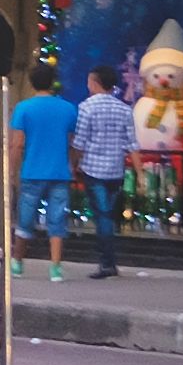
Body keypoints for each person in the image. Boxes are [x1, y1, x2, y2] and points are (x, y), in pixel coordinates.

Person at [5, 66, 74, 279]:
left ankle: (17, 262)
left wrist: (11, 170)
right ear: (53, 82)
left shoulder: (23, 108)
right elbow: (71, 142)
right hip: (59, 172)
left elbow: (17, 144)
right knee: (57, 220)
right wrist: (72, 164)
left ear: (32, 82)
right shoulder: (69, 109)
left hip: (32, 171)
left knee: (25, 219)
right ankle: (55, 267)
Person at [72, 63, 137, 281]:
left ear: (95, 82)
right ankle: (109, 261)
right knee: (107, 214)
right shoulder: (125, 109)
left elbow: (79, 142)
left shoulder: (86, 108)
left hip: (93, 169)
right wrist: (141, 173)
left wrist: (73, 165)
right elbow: (132, 144)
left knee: (102, 217)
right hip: (115, 170)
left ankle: (107, 263)